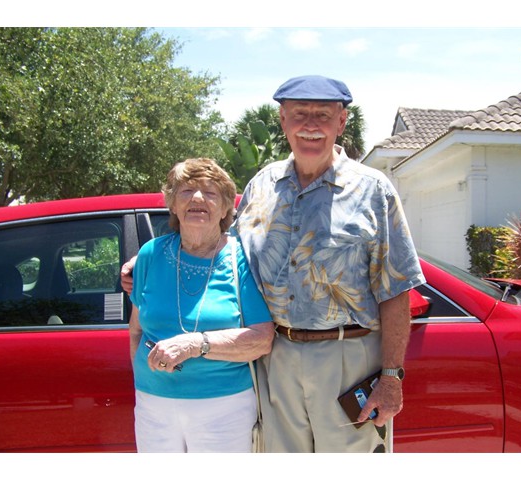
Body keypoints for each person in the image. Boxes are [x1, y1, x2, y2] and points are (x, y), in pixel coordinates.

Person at [122, 76, 425, 452]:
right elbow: (222, 246)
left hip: (349, 358)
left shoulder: (373, 190)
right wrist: (150, 261)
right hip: (275, 358)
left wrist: (392, 377)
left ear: (341, 122)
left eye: (323, 115)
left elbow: (396, 289)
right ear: (283, 120)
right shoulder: (261, 186)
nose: (311, 125)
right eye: (300, 114)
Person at [128, 157, 273, 453]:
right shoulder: (150, 254)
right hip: (152, 405)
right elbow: (135, 331)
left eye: (210, 193)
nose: (197, 198)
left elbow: (262, 339)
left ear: (224, 209)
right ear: (173, 205)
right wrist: (145, 378)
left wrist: (196, 344)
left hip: (223, 408)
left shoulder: (240, 259)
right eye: (186, 191)